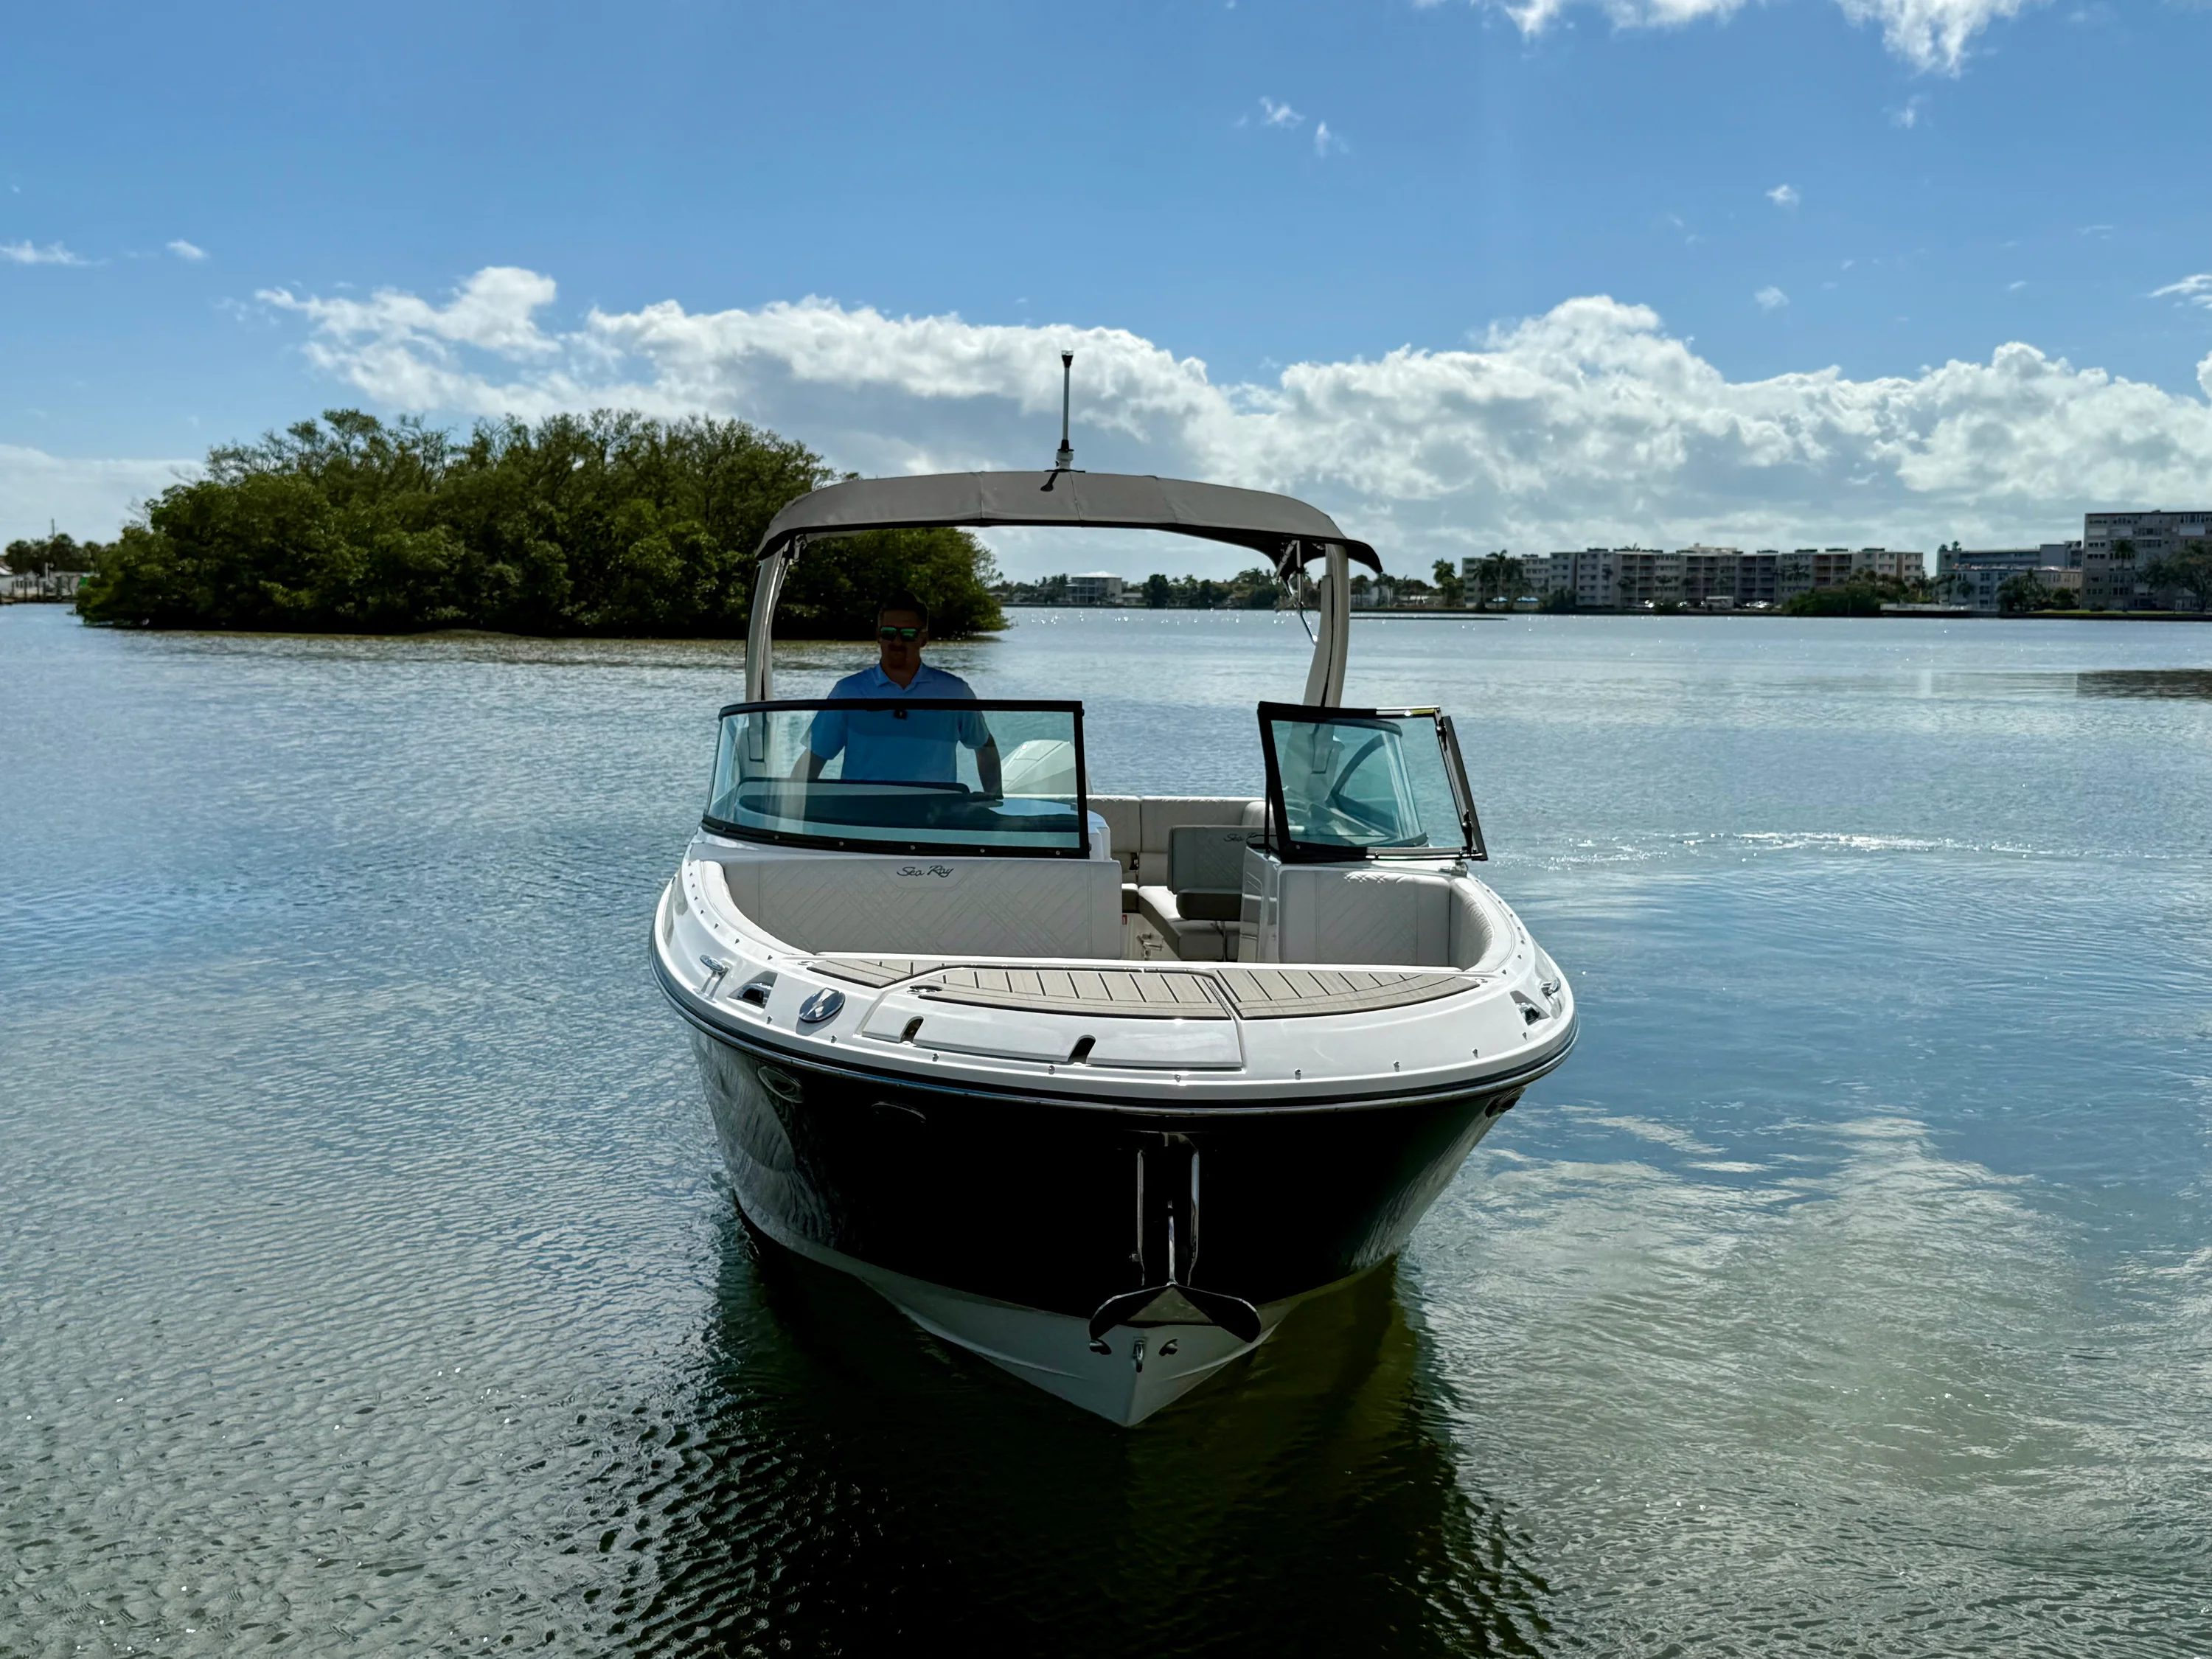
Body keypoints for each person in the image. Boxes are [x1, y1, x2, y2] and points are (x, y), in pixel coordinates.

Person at [800, 594, 1002, 792]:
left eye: (908, 634)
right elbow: (814, 757)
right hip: (862, 816)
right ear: (878, 636)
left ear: (924, 639)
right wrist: (792, 810)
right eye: (889, 632)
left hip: (935, 816)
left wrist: (993, 800)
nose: (897, 641)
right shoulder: (848, 692)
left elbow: (985, 746)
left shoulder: (956, 693)